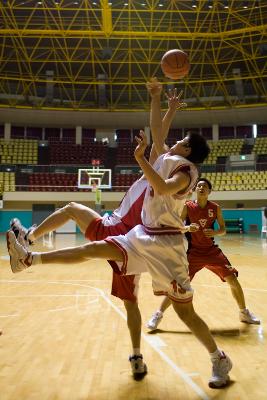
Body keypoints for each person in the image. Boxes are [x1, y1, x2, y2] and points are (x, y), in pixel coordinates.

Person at [7, 79, 233, 389]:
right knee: (95, 249)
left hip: (167, 247)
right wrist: (157, 100)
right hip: (142, 235)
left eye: (180, 140)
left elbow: (164, 187)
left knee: (186, 315)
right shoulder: (166, 160)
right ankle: (29, 258)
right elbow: (159, 132)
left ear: (188, 150)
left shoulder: (186, 172)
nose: (172, 141)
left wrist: (141, 159)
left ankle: (219, 358)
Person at [147, 177, 261, 331]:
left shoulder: (215, 208)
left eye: (204, 186)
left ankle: (244, 313)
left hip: (211, 251)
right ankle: (158, 314)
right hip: (193, 253)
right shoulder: (187, 206)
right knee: (179, 285)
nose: (201, 188)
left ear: (209, 191)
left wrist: (214, 232)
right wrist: (188, 227)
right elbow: (178, 226)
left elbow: (223, 230)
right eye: (198, 186)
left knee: (233, 279)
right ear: (195, 190)